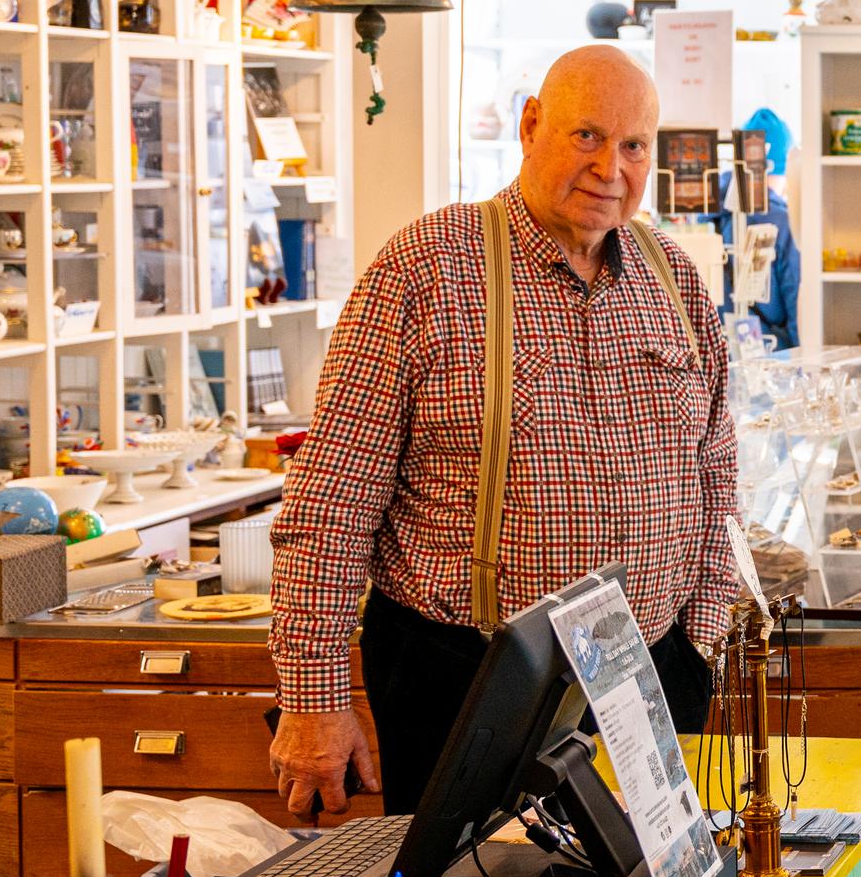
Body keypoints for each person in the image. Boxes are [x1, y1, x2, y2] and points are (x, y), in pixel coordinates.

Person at [267, 43, 743, 818]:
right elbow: (332, 497)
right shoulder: (425, 268)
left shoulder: (671, 276)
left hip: (648, 677)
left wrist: (699, 639)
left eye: (633, 146)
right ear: (530, 125)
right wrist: (315, 698)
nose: (610, 168)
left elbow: (717, 466)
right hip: (470, 683)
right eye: (587, 136)